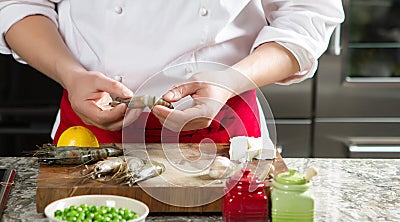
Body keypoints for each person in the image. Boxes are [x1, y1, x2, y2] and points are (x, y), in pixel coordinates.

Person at [0, 1, 344, 144]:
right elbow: (19, 4)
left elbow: (308, 13)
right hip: (92, 129)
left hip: (221, 130)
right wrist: (70, 73)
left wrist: (228, 82)